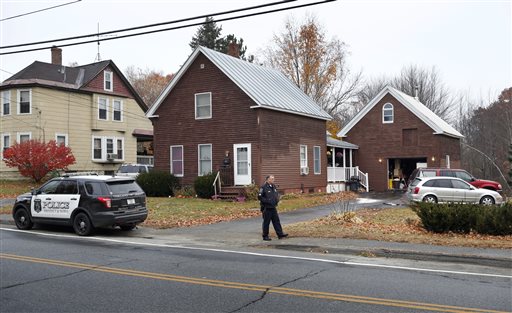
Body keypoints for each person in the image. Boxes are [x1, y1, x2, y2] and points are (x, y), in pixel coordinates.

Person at [258, 175, 288, 241]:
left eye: (273, 179)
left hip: (273, 207)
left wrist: (277, 200)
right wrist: (267, 201)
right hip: (266, 208)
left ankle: (280, 234)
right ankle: (265, 236)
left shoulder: (273, 186)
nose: (273, 180)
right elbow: (260, 197)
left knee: (276, 221)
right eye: (271, 179)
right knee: (266, 222)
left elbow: (276, 194)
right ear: (267, 179)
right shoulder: (263, 187)